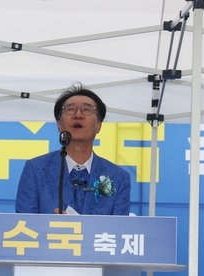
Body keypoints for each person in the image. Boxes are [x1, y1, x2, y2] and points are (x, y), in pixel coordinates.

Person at [15, 83, 131, 215]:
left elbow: (119, 231)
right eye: (70, 109)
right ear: (59, 124)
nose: (78, 115)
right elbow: (25, 225)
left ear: (98, 125)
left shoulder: (118, 178)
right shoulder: (35, 170)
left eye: (87, 110)